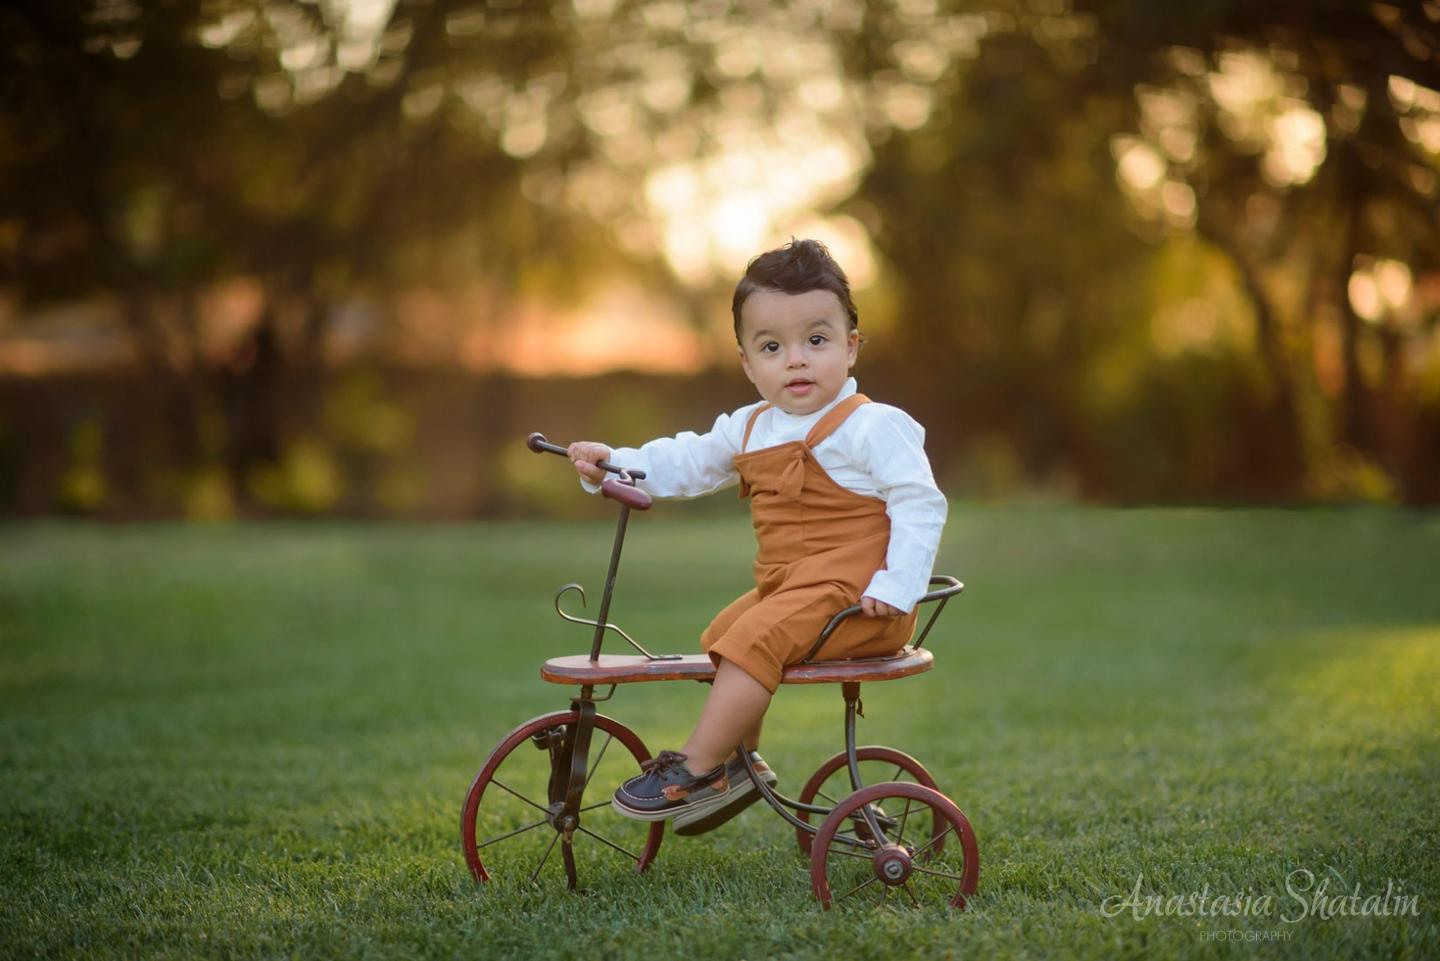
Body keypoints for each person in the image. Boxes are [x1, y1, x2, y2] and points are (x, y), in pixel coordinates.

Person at [567, 238, 946, 833]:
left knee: (754, 641)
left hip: (859, 601)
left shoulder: (872, 426)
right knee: (724, 634)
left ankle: (697, 766)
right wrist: (615, 462)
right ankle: (740, 766)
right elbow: (687, 461)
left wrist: (898, 585)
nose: (795, 360)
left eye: (816, 341)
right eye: (772, 347)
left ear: (850, 348)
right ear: (747, 361)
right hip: (794, 594)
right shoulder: (751, 427)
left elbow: (919, 502)